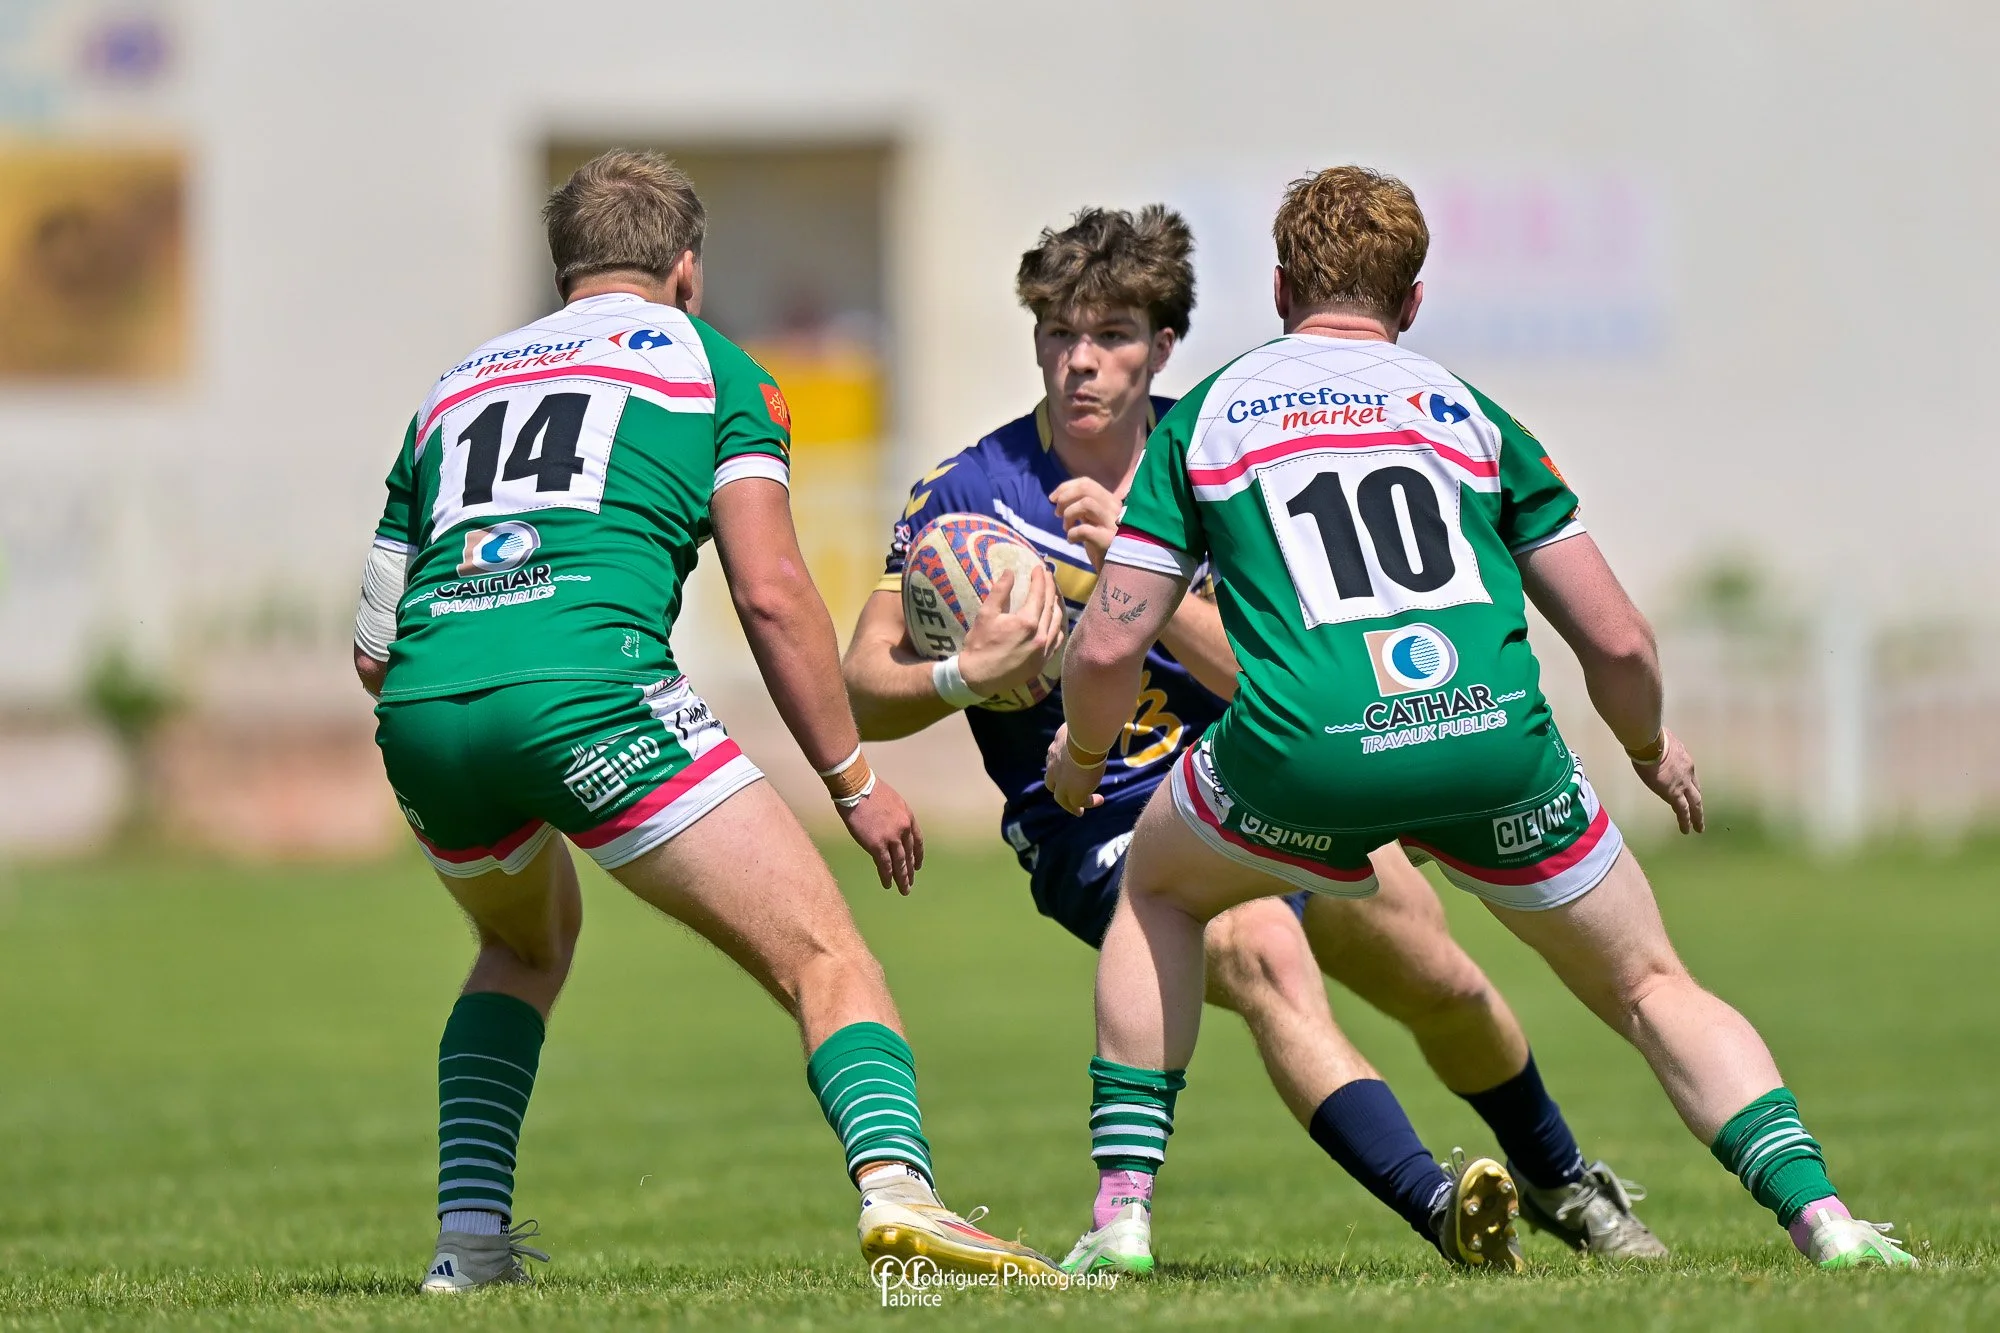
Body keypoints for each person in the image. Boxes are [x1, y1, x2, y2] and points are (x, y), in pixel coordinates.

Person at [1044, 167, 1916, 1272]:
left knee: (1159, 889)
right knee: (1650, 984)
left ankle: (1119, 1216)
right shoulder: (1465, 411)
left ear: (1275, 288)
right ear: (1410, 302)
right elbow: (1619, 641)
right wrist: (1648, 748)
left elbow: (1113, 640)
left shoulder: (1212, 413)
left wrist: (1080, 756)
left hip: (1305, 749)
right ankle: (1824, 1222)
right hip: (1490, 738)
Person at [844, 205, 1664, 1275]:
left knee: (1442, 979)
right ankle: (1440, 1207)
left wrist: (1139, 582)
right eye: (1057, 334)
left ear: (1162, 344)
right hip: (1094, 816)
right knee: (1263, 950)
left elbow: (1278, 680)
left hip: (1271, 779)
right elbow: (863, 683)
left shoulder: (1228, 458)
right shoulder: (967, 497)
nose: (1078, 361)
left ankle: (1560, 1180)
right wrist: (966, 674)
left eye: (1110, 336)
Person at [353, 149, 1057, 1293]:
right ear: (686, 266)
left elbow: (371, 646)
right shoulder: (711, 364)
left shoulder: (454, 386)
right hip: (590, 689)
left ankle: (469, 1245)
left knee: (519, 945)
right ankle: (900, 1194)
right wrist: (852, 782)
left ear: (564, 266)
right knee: (825, 954)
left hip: (427, 710)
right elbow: (772, 589)